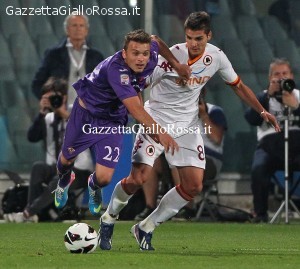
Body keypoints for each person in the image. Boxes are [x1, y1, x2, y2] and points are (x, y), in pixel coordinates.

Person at [99, 11, 280, 251]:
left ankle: (146, 227)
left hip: (186, 126)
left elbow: (238, 86)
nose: (193, 44)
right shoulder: (169, 57)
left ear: (209, 36)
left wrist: (261, 111)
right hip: (157, 122)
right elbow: (140, 81)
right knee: (138, 178)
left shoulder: (216, 57)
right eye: (189, 38)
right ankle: (109, 218)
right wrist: (144, 116)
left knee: (193, 186)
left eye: (199, 39)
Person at [53, 29, 191, 218]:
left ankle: (94, 185)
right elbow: (135, 110)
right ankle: (64, 179)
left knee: (104, 178)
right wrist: (161, 133)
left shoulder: (150, 56)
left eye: (144, 54)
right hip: (85, 115)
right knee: (65, 161)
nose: (141, 58)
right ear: (124, 54)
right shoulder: (116, 70)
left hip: (113, 120)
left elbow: (156, 41)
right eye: (135, 53)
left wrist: (176, 65)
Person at [135, 88, 227, 220]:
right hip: (178, 153)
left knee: (179, 157)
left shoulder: (214, 111)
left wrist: (204, 116)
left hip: (208, 160)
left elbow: (217, 139)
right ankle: (150, 207)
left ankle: (187, 208)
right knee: (151, 160)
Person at [14, 77, 93, 222]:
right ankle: (37, 212)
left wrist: (62, 113)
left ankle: (28, 213)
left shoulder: (77, 109)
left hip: (80, 170)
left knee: (61, 178)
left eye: (55, 97)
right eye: (49, 97)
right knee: (38, 167)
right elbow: (32, 137)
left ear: (64, 96)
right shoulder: (48, 117)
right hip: (57, 167)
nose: (54, 101)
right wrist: (41, 113)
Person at [245, 58, 300, 223]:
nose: (282, 78)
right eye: (277, 75)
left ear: (291, 76)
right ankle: (260, 214)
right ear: (270, 78)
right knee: (259, 168)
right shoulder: (262, 97)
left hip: (297, 145)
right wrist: (267, 96)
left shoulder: (298, 96)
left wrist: (296, 107)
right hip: (269, 146)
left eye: (285, 74)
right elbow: (251, 119)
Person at [31, 14, 104, 110]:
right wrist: (49, 100)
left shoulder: (96, 57)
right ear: (67, 30)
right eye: (74, 25)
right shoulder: (53, 54)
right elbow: (37, 83)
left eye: (81, 26)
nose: (78, 29)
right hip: (61, 113)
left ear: (86, 31)